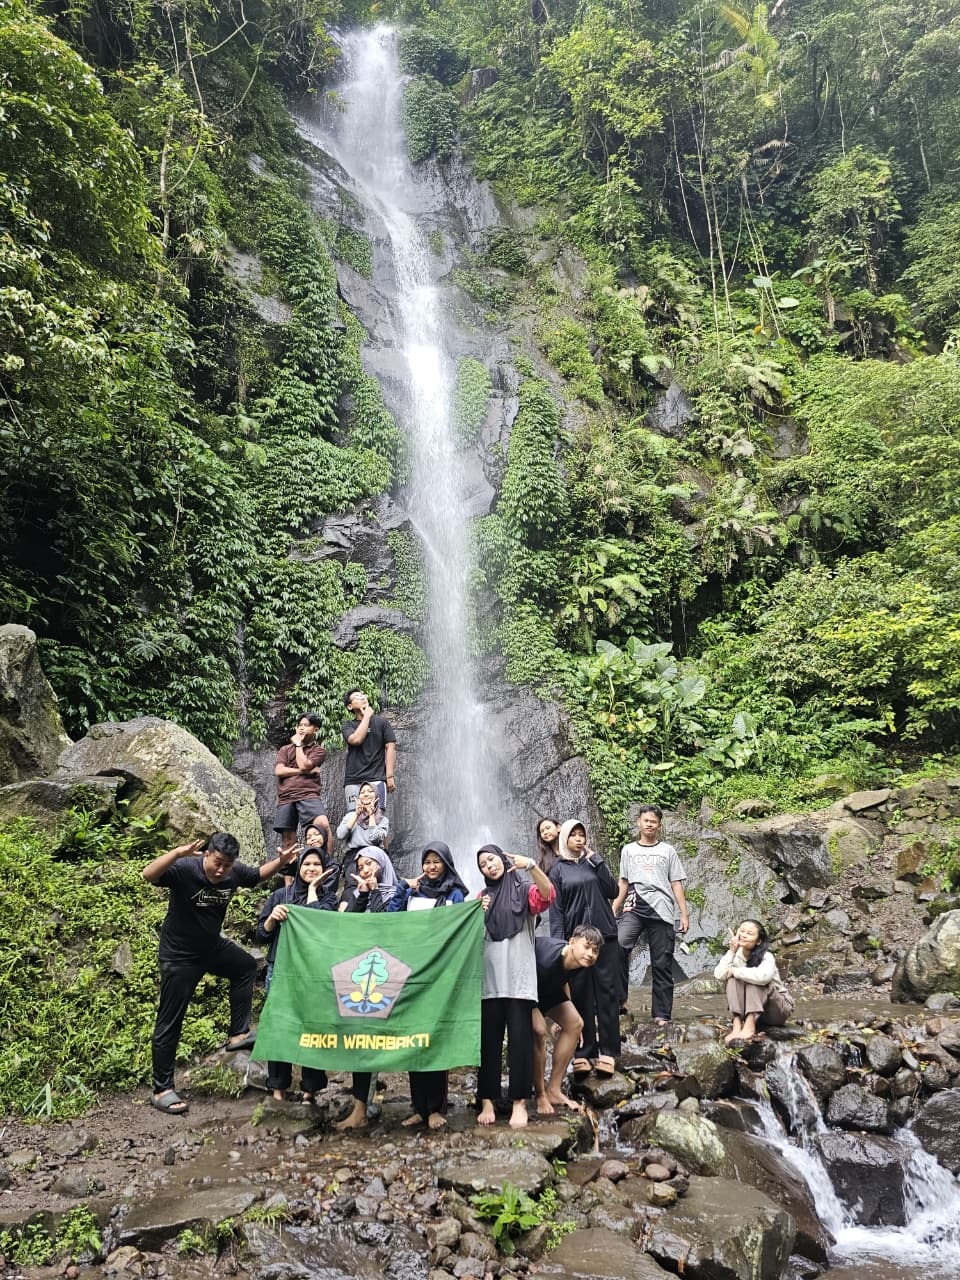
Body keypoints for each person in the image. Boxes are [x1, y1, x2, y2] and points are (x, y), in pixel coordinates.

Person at [143, 833, 297, 1115]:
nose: (221, 870)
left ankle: (238, 1034)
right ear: (206, 855)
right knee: (170, 1021)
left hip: (211, 947)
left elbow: (256, 876)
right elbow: (148, 875)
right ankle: (162, 1089)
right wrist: (177, 853)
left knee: (245, 966)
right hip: (179, 956)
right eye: (217, 863)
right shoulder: (185, 869)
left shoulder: (232, 872)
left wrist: (280, 862)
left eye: (227, 865)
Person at [385, 840, 468, 1129]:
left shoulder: (455, 894)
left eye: (436, 861)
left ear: (446, 864)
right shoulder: (413, 892)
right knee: (414, 1039)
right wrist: (402, 888)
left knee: (434, 1039)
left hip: (439, 975)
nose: (431, 867)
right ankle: (418, 1106)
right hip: (411, 973)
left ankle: (435, 1107)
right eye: (427, 862)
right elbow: (391, 919)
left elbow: (459, 929)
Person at [475, 844, 555, 1130]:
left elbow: (548, 895)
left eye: (492, 859)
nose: (489, 866)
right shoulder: (481, 898)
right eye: (483, 865)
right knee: (488, 1044)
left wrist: (531, 866)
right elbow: (466, 934)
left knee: (521, 1043)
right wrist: (475, 914)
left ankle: (519, 1101)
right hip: (489, 983)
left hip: (519, 982)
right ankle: (487, 1099)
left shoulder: (524, 891)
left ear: (502, 859)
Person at [257, 848, 339, 1102]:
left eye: (316, 864)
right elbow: (261, 934)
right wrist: (272, 919)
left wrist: (313, 891)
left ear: (324, 869)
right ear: (299, 866)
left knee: (313, 1026)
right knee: (280, 1026)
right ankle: (278, 1088)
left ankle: (309, 1089)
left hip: (313, 974)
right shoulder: (280, 896)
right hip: (281, 970)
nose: (311, 868)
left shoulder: (329, 900)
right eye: (307, 864)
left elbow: (321, 927)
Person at [335, 846, 401, 1130]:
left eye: (369, 863)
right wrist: (362, 894)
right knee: (363, 1040)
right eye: (360, 865)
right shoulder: (356, 893)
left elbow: (386, 923)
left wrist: (374, 891)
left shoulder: (397, 892)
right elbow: (347, 926)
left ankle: (427, 1107)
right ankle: (360, 1106)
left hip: (392, 975)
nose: (364, 869)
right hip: (363, 976)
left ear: (382, 863)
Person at [548, 820, 621, 1077]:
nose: (579, 839)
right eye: (573, 835)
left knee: (607, 994)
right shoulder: (557, 870)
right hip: (577, 942)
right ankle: (584, 1052)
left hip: (604, 937)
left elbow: (613, 890)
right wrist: (559, 947)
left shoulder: (593, 863)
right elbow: (556, 911)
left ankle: (609, 1051)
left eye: (582, 835)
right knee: (580, 995)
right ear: (564, 839)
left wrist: (598, 861)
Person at [613, 805, 689, 1027]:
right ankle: (619, 1000)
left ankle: (662, 1014)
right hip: (634, 904)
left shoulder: (668, 851)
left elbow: (676, 882)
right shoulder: (628, 850)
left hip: (661, 907)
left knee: (662, 961)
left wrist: (684, 913)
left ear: (659, 825)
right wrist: (614, 907)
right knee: (618, 945)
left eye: (653, 821)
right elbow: (623, 881)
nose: (649, 824)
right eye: (646, 820)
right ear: (639, 822)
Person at [532, 924, 602, 1114]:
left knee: (575, 1023)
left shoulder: (579, 962)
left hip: (547, 989)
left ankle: (554, 1090)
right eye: (586, 947)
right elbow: (523, 980)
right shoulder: (547, 960)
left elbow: (562, 979)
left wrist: (565, 1015)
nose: (590, 954)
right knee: (539, 1030)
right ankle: (540, 1094)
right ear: (572, 942)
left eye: (595, 951)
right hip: (526, 990)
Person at [714, 919, 792, 1043]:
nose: (744, 935)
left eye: (749, 933)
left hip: (776, 1009)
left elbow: (763, 977)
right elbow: (719, 975)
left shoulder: (767, 957)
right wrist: (732, 951)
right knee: (732, 979)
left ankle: (749, 1026)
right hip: (753, 1010)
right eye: (742, 931)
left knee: (754, 980)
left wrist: (735, 971)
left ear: (758, 941)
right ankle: (736, 1026)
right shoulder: (736, 955)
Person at [274, 713, 331, 857]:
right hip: (286, 797)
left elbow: (304, 764)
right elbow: (279, 771)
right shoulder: (285, 749)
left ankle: (329, 865)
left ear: (316, 730)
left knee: (323, 826)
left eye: (306, 725)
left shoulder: (318, 751)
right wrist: (305, 771)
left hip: (308, 794)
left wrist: (298, 745)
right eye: (300, 725)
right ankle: (290, 872)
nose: (301, 728)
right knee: (288, 841)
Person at [336, 781, 389, 909]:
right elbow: (340, 835)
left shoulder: (382, 820)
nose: (366, 794)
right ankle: (344, 912)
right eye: (362, 792)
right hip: (354, 857)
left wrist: (371, 816)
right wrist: (356, 815)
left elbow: (375, 839)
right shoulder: (350, 816)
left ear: (376, 797)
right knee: (351, 886)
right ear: (358, 797)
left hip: (375, 856)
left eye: (370, 791)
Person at [342, 688, 397, 806]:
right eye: (357, 697)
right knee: (354, 815)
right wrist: (367, 716)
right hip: (353, 780)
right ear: (350, 706)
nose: (362, 697)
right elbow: (356, 740)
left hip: (377, 779)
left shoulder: (382, 723)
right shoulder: (347, 725)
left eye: (362, 695)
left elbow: (390, 747)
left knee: (377, 815)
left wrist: (389, 776)